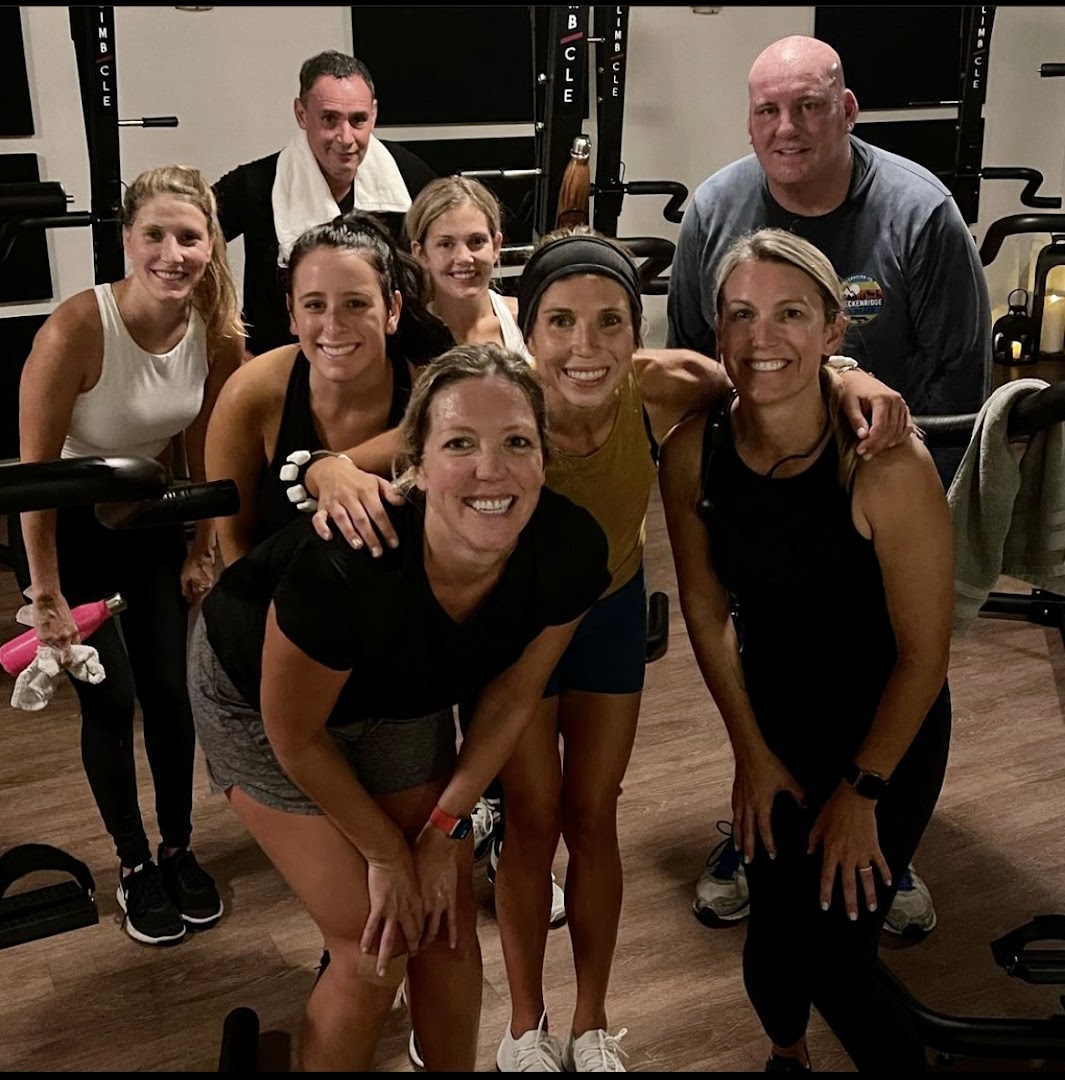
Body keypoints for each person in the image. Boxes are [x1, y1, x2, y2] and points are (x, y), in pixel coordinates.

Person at [294, 227, 912, 1072]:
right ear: (528, 330)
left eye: (609, 322)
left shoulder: (661, 387)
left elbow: (772, 366)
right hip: (513, 635)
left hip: (608, 614)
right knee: (530, 821)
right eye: (561, 322)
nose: (585, 347)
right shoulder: (501, 402)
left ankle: (590, 1023)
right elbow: (351, 459)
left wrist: (849, 377)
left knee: (593, 816)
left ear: (634, 330)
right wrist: (325, 470)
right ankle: (526, 1026)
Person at [187, 342, 611, 1071]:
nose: (491, 469)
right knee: (373, 946)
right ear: (415, 463)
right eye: (459, 444)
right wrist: (387, 853)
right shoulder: (346, 568)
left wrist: (443, 831)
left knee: (442, 922)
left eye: (517, 442)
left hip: (400, 693)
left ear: (545, 457)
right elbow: (296, 734)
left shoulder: (569, 548)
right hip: (260, 704)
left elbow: (513, 697)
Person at [668, 33, 980, 933]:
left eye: (808, 106)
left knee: (883, 655)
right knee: (773, 660)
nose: (787, 127)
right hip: (761, 486)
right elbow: (699, 362)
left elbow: (955, 383)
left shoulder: (919, 214)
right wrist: (828, 381)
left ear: (846, 110)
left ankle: (887, 830)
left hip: (879, 484)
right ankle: (759, 817)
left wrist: (896, 505)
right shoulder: (714, 209)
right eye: (767, 109)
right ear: (748, 121)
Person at [659, 228, 952, 1072]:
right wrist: (749, 754)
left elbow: (923, 657)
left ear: (831, 330)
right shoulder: (692, 451)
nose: (762, 337)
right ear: (716, 331)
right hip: (775, 721)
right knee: (773, 957)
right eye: (740, 315)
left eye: (789, 314)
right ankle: (786, 1057)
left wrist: (863, 791)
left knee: (837, 961)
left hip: (885, 731)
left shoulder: (885, 466)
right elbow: (704, 610)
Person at [13, 164, 244, 946]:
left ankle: (177, 847)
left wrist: (202, 549)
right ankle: (134, 861)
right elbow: (34, 479)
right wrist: (44, 592)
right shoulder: (77, 329)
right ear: (127, 238)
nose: (173, 254)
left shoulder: (214, 330)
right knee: (110, 701)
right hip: (65, 524)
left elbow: (206, 449)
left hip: (149, 519)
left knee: (171, 694)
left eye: (190, 237)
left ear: (210, 243)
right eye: (156, 235)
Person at [204, 210, 452, 566]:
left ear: (392, 310)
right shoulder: (250, 394)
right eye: (315, 305)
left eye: (355, 304)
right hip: (273, 595)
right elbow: (233, 544)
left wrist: (334, 466)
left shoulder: (434, 394)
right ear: (292, 313)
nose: (333, 326)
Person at [214, 50, 436, 359]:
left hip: (384, 364)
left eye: (358, 120)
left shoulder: (411, 178)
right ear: (301, 114)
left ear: (373, 115)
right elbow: (190, 248)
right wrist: (226, 336)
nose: (345, 138)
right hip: (282, 365)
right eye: (330, 119)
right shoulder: (253, 185)